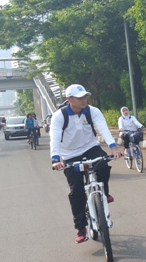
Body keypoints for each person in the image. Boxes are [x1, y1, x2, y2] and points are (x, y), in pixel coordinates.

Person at [50, 84, 122, 244]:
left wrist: (114, 147)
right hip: (69, 154)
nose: (84, 100)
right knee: (76, 192)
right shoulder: (59, 116)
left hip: (91, 147)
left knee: (103, 164)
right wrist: (55, 159)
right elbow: (54, 138)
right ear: (69, 99)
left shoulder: (92, 111)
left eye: (85, 96)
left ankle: (105, 193)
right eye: (80, 97)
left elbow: (103, 128)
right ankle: (81, 227)